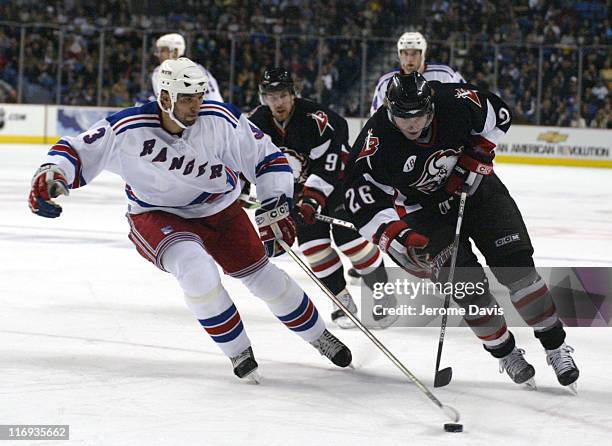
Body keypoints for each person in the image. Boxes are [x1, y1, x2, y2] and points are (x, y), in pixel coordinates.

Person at [28, 57, 352, 382]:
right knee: (197, 268)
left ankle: (320, 336)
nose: (196, 105)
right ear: (165, 98)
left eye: (199, 96)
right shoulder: (128, 128)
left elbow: (268, 159)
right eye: (187, 98)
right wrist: (52, 174)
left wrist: (275, 203)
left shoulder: (221, 119)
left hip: (219, 209)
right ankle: (239, 351)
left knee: (264, 276)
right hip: (157, 215)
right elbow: (74, 150)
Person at [344, 72, 580, 391]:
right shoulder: (376, 142)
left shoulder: (454, 100)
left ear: (430, 107)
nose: (411, 124)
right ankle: (506, 353)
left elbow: (500, 114)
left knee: (518, 270)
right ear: (389, 111)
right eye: (403, 117)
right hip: (424, 216)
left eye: (418, 115)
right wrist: (398, 240)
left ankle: (555, 347)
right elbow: (360, 201)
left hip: (478, 192)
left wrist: (477, 155)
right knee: (468, 290)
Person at [247, 67, 397, 329]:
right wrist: (236, 189)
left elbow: (329, 165)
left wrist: (312, 199)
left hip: (339, 182)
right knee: (313, 247)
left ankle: (383, 292)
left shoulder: (317, 118)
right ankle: (341, 300)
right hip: (299, 194)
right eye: (271, 97)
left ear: (293, 94)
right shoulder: (255, 124)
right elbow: (244, 159)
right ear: (263, 98)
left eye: (282, 95)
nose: (278, 102)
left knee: (349, 240)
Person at [370, 32, 465, 116]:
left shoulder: (446, 74)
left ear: (422, 54)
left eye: (414, 53)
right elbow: (376, 116)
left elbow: (467, 98)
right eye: (405, 53)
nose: (409, 59)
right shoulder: (386, 82)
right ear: (399, 55)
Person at [151, 33, 222, 102]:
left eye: (162, 51)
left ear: (175, 52)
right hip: (221, 111)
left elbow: (168, 105)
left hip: (200, 112)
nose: (158, 55)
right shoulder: (198, 66)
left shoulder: (162, 70)